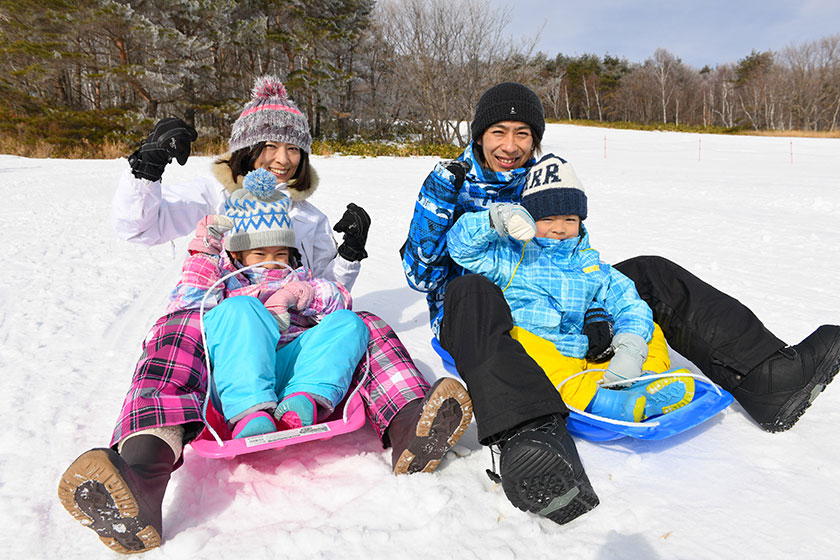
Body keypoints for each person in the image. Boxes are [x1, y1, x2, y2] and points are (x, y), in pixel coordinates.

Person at [57, 76, 472, 554]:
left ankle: (409, 424)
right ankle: (142, 471)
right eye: (269, 145)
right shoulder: (211, 200)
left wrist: (348, 256)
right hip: (225, 349)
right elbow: (139, 228)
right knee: (179, 328)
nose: (282, 158)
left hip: (294, 343)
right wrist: (145, 173)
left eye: (293, 148)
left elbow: (325, 289)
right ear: (244, 150)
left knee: (367, 324)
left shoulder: (308, 216)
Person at [401, 81, 840, 526]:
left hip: (556, 304)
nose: (510, 146)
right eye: (498, 132)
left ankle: (769, 377)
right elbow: (420, 276)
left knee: (647, 273)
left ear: (535, 138)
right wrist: (441, 203)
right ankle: (532, 438)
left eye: (522, 133)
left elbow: (576, 256)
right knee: (472, 289)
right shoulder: (451, 181)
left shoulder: (545, 177)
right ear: (479, 135)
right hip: (474, 311)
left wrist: (594, 311)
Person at [446, 154, 694, 423]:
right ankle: (600, 402)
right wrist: (497, 219)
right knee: (521, 344)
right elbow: (461, 248)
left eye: (569, 220)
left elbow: (628, 302)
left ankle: (642, 382)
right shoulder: (511, 258)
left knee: (648, 328)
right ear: (530, 218)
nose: (559, 229)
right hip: (547, 353)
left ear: (580, 221)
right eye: (548, 220)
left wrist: (630, 348)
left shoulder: (591, 264)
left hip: (589, 352)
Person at [168, 168, 369, 438]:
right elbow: (188, 306)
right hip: (237, 372)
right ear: (238, 253)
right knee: (242, 309)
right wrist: (204, 253)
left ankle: (301, 399)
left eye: (280, 252)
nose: (271, 259)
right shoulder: (226, 279)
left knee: (350, 323)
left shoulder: (296, 276)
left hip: (289, 365)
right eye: (259, 253)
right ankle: (250, 413)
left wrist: (298, 293)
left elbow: (339, 299)